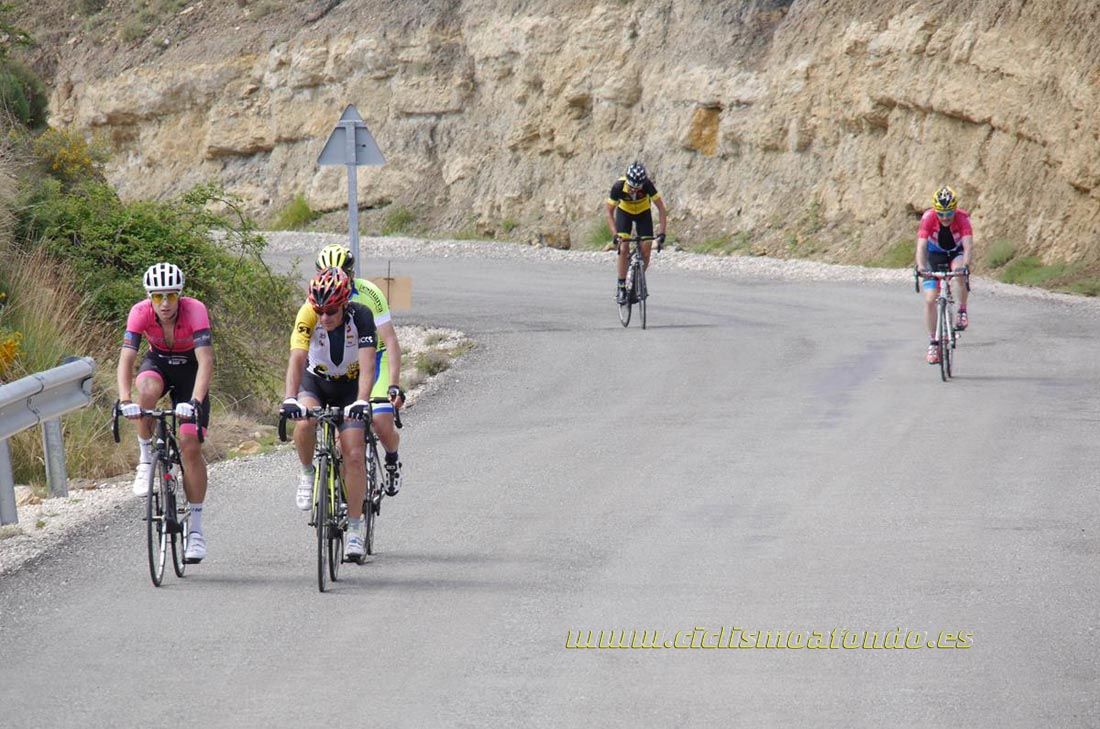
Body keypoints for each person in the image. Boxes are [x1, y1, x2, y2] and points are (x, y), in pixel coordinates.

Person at [117, 262, 213, 563]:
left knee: (190, 446)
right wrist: (123, 400)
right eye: (158, 297)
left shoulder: (195, 310)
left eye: (171, 296)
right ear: (150, 297)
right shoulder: (139, 312)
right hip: (158, 364)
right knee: (144, 391)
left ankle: (195, 531)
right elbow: (127, 360)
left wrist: (195, 401)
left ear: (180, 295)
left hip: (190, 374)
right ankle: (146, 457)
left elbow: (206, 361)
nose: (165, 304)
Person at [280, 267, 378, 561]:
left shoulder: (361, 316)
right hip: (316, 382)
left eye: (331, 311)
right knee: (304, 421)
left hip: (350, 387)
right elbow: (297, 359)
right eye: (320, 310)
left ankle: (356, 531)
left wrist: (362, 400)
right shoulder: (307, 314)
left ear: (345, 303)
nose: (324, 317)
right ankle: (308, 472)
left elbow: (368, 363)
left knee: (354, 454)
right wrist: (289, 398)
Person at [314, 244, 406, 495]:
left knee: (379, 419)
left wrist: (393, 385)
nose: (334, 278)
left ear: (351, 273)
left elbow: (390, 341)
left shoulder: (369, 293)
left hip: (374, 358)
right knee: (340, 436)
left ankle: (391, 458)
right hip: (343, 365)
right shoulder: (318, 297)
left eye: (342, 272)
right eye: (325, 272)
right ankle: (346, 494)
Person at [916, 185, 973, 364]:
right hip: (934, 254)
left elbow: (968, 246)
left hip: (955, 252)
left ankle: (962, 310)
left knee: (958, 274)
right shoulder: (928, 218)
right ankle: (933, 342)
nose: (945, 218)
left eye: (949, 213)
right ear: (935, 211)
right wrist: (920, 266)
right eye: (941, 214)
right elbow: (921, 246)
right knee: (930, 299)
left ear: (955, 210)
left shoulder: (963, 218)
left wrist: (965, 265)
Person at [605, 161, 668, 305]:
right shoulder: (618, 186)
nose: (634, 191)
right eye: (631, 188)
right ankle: (621, 286)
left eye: (637, 188)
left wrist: (662, 233)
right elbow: (609, 212)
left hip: (643, 214)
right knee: (623, 247)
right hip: (624, 213)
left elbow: (661, 209)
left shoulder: (647, 185)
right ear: (627, 181)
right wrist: (615, 235)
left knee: (646, 250)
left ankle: (636, 283)